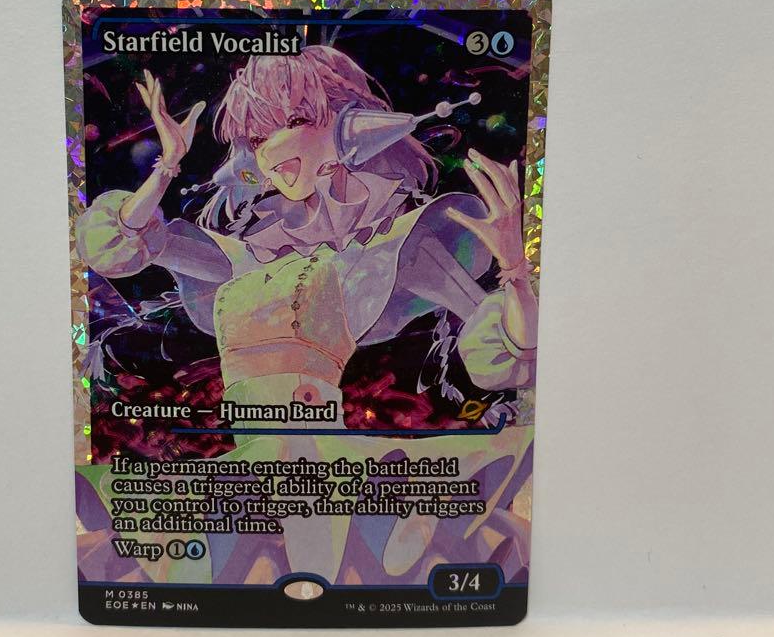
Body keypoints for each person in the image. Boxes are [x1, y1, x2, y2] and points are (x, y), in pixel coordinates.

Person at [76, 45, 537, 582]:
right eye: (257, 138)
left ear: (345, 123)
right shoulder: (243, 257)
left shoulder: (390, 249)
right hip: (248, 466)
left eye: (293, 122)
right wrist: (167, 166)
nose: (272, 150)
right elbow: (119, 244)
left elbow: (509, 354)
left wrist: (516, 270)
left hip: (320, 460)